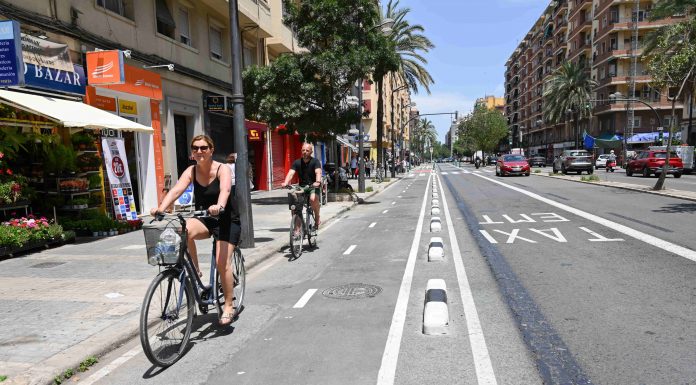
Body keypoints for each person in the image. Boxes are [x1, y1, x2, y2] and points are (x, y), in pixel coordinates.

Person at [150, 135, 240, 326]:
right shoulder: (191, 170)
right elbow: (175, 191)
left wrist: (219, 205)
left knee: (221, 261)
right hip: (205, 218)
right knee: (184, 229)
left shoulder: (222, 168)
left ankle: (229, 306)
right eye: (195, 148)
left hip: (226, 220)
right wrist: (161, 208)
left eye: (203, 148)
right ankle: (195, 270)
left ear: (211, 149)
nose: (199, 151)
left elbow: (225, 190)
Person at [281, 143, 322, 227]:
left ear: (311, 152)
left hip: (313, 186)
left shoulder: (315, 161)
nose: (305, 152)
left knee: (313, 198)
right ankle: (297, 228)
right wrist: (286, 182)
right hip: (301, 187)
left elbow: (318, 172)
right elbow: (291, 173)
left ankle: (317, 216)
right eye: (303, 150)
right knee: (294, 205)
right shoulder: (297, 162)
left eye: (307, 150)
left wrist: (317, 181)